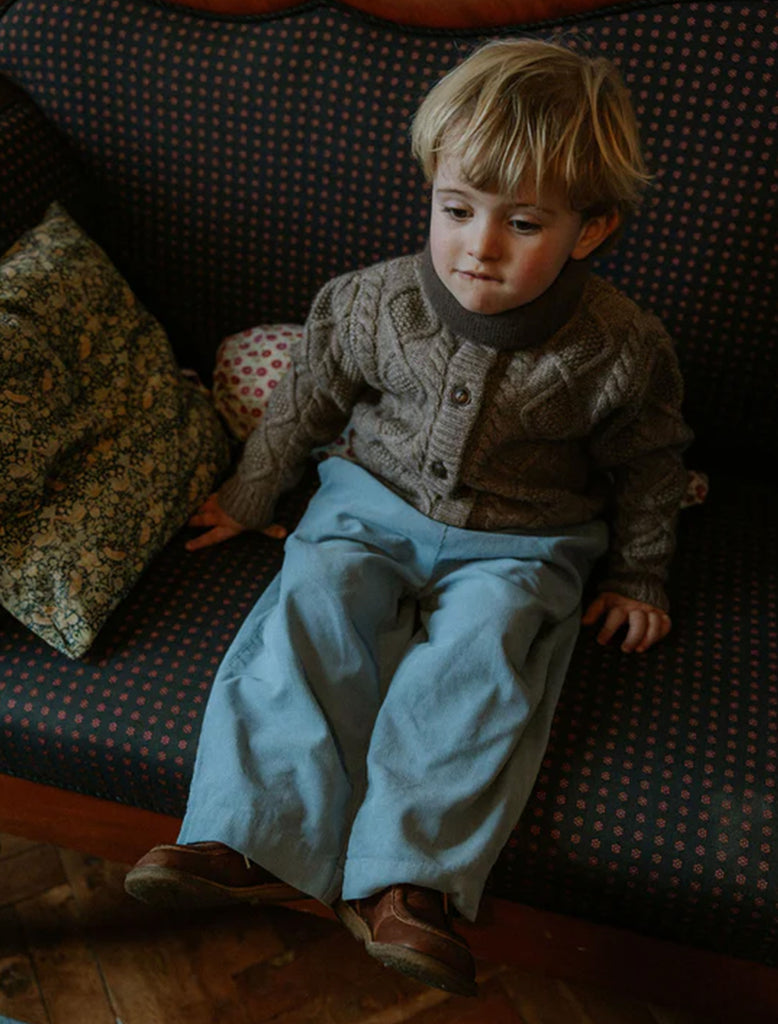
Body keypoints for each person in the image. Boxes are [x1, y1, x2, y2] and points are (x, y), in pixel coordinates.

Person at [124, 38, 692, 997]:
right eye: (457, 210)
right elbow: (302, 401)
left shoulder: (624, 348)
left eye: (522, 223)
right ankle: (244, 834)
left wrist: (639, 575)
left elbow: (650, 467)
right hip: (368, 503)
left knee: (485, 660)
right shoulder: (368, 303)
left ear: (589, 231)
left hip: (525, 539)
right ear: (431, 186)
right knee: (313, 610)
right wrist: (251, 494)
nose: (480, 246)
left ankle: (406, 883)